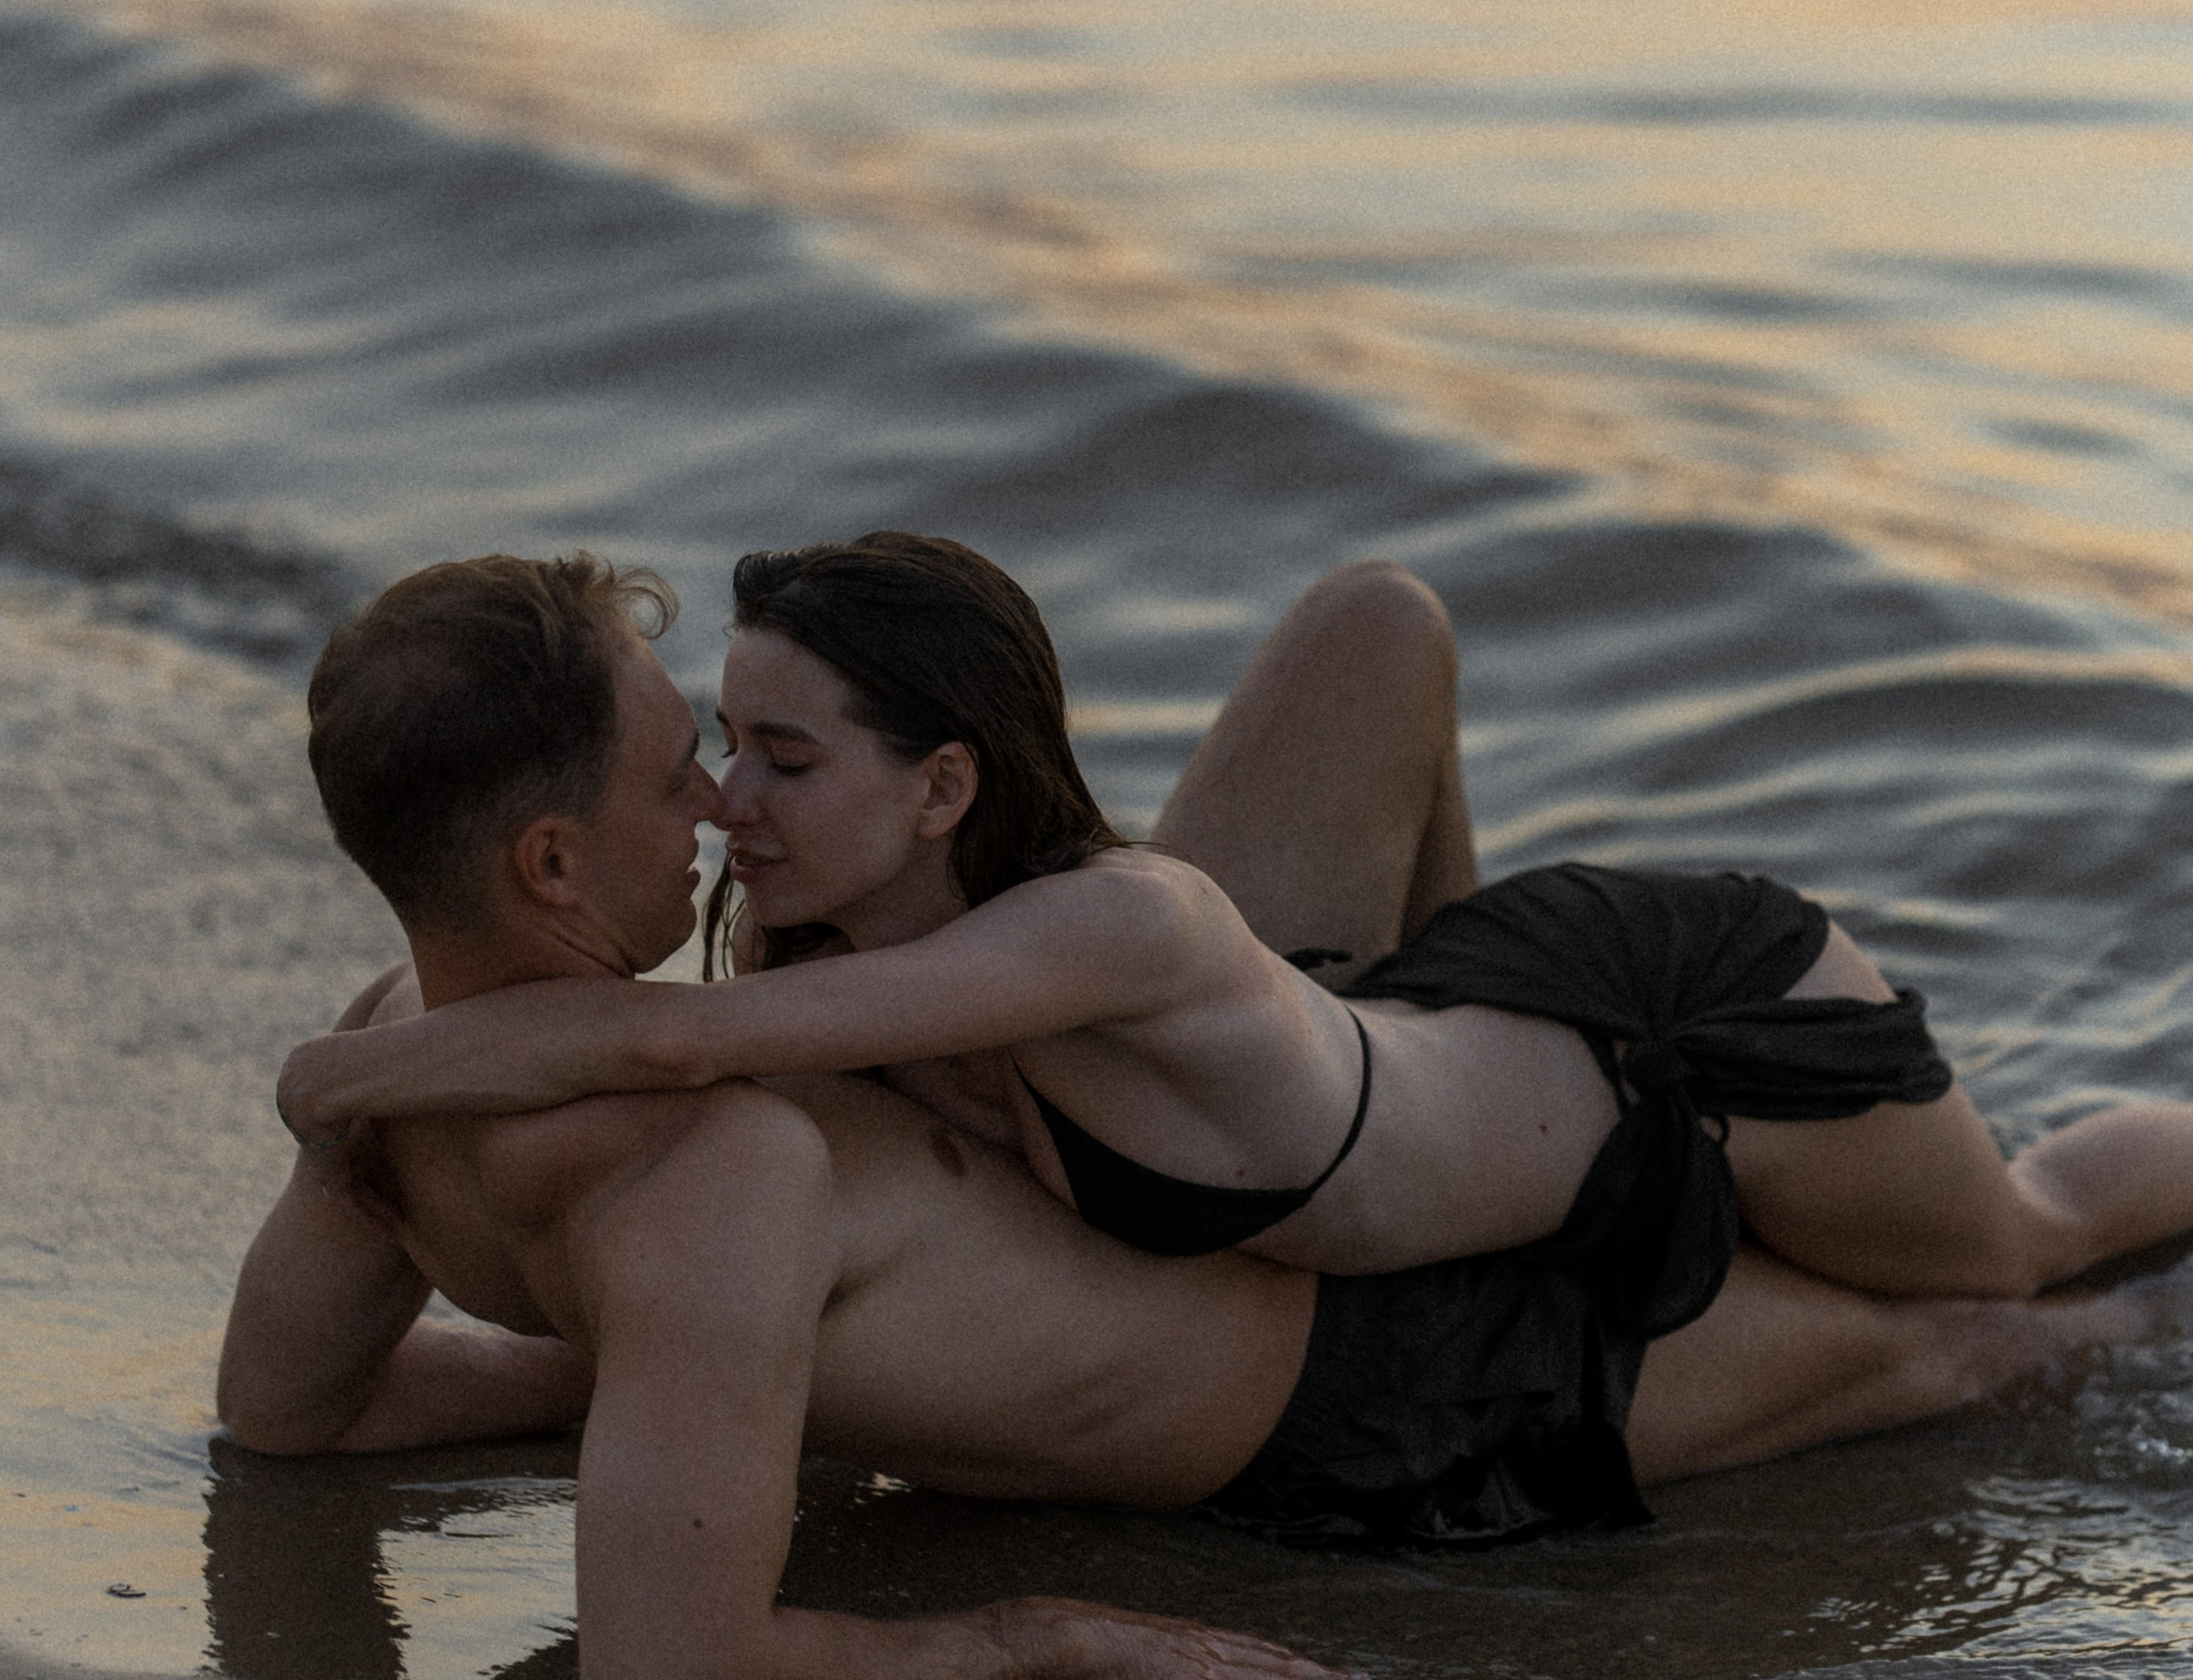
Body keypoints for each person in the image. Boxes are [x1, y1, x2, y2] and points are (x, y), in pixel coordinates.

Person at [224, 548, 2190, 1680]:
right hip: (1400, 1385)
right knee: (1975, 1363)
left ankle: (1500, 1059)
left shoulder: (403, 1069)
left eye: (746, 761)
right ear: (550, 865)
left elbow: (301, 1403)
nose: (726, 810)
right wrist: (1041, 1635)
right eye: (681, 775)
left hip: (1377, 1159)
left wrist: (679, 1379)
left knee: (1990, 1294)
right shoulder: (679, 1182)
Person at [282, 535, 2193, 1317]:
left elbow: (671, 1047)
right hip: (1393, 1026)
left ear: (941, 789)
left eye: (778, 758)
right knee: (1376, 621)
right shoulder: (823, 945)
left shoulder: (1092, 932)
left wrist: (342, 1078)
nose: (720, 803)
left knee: (2024, 1250)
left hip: (1698, 1014)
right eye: (717, 749)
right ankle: (1456, 984)